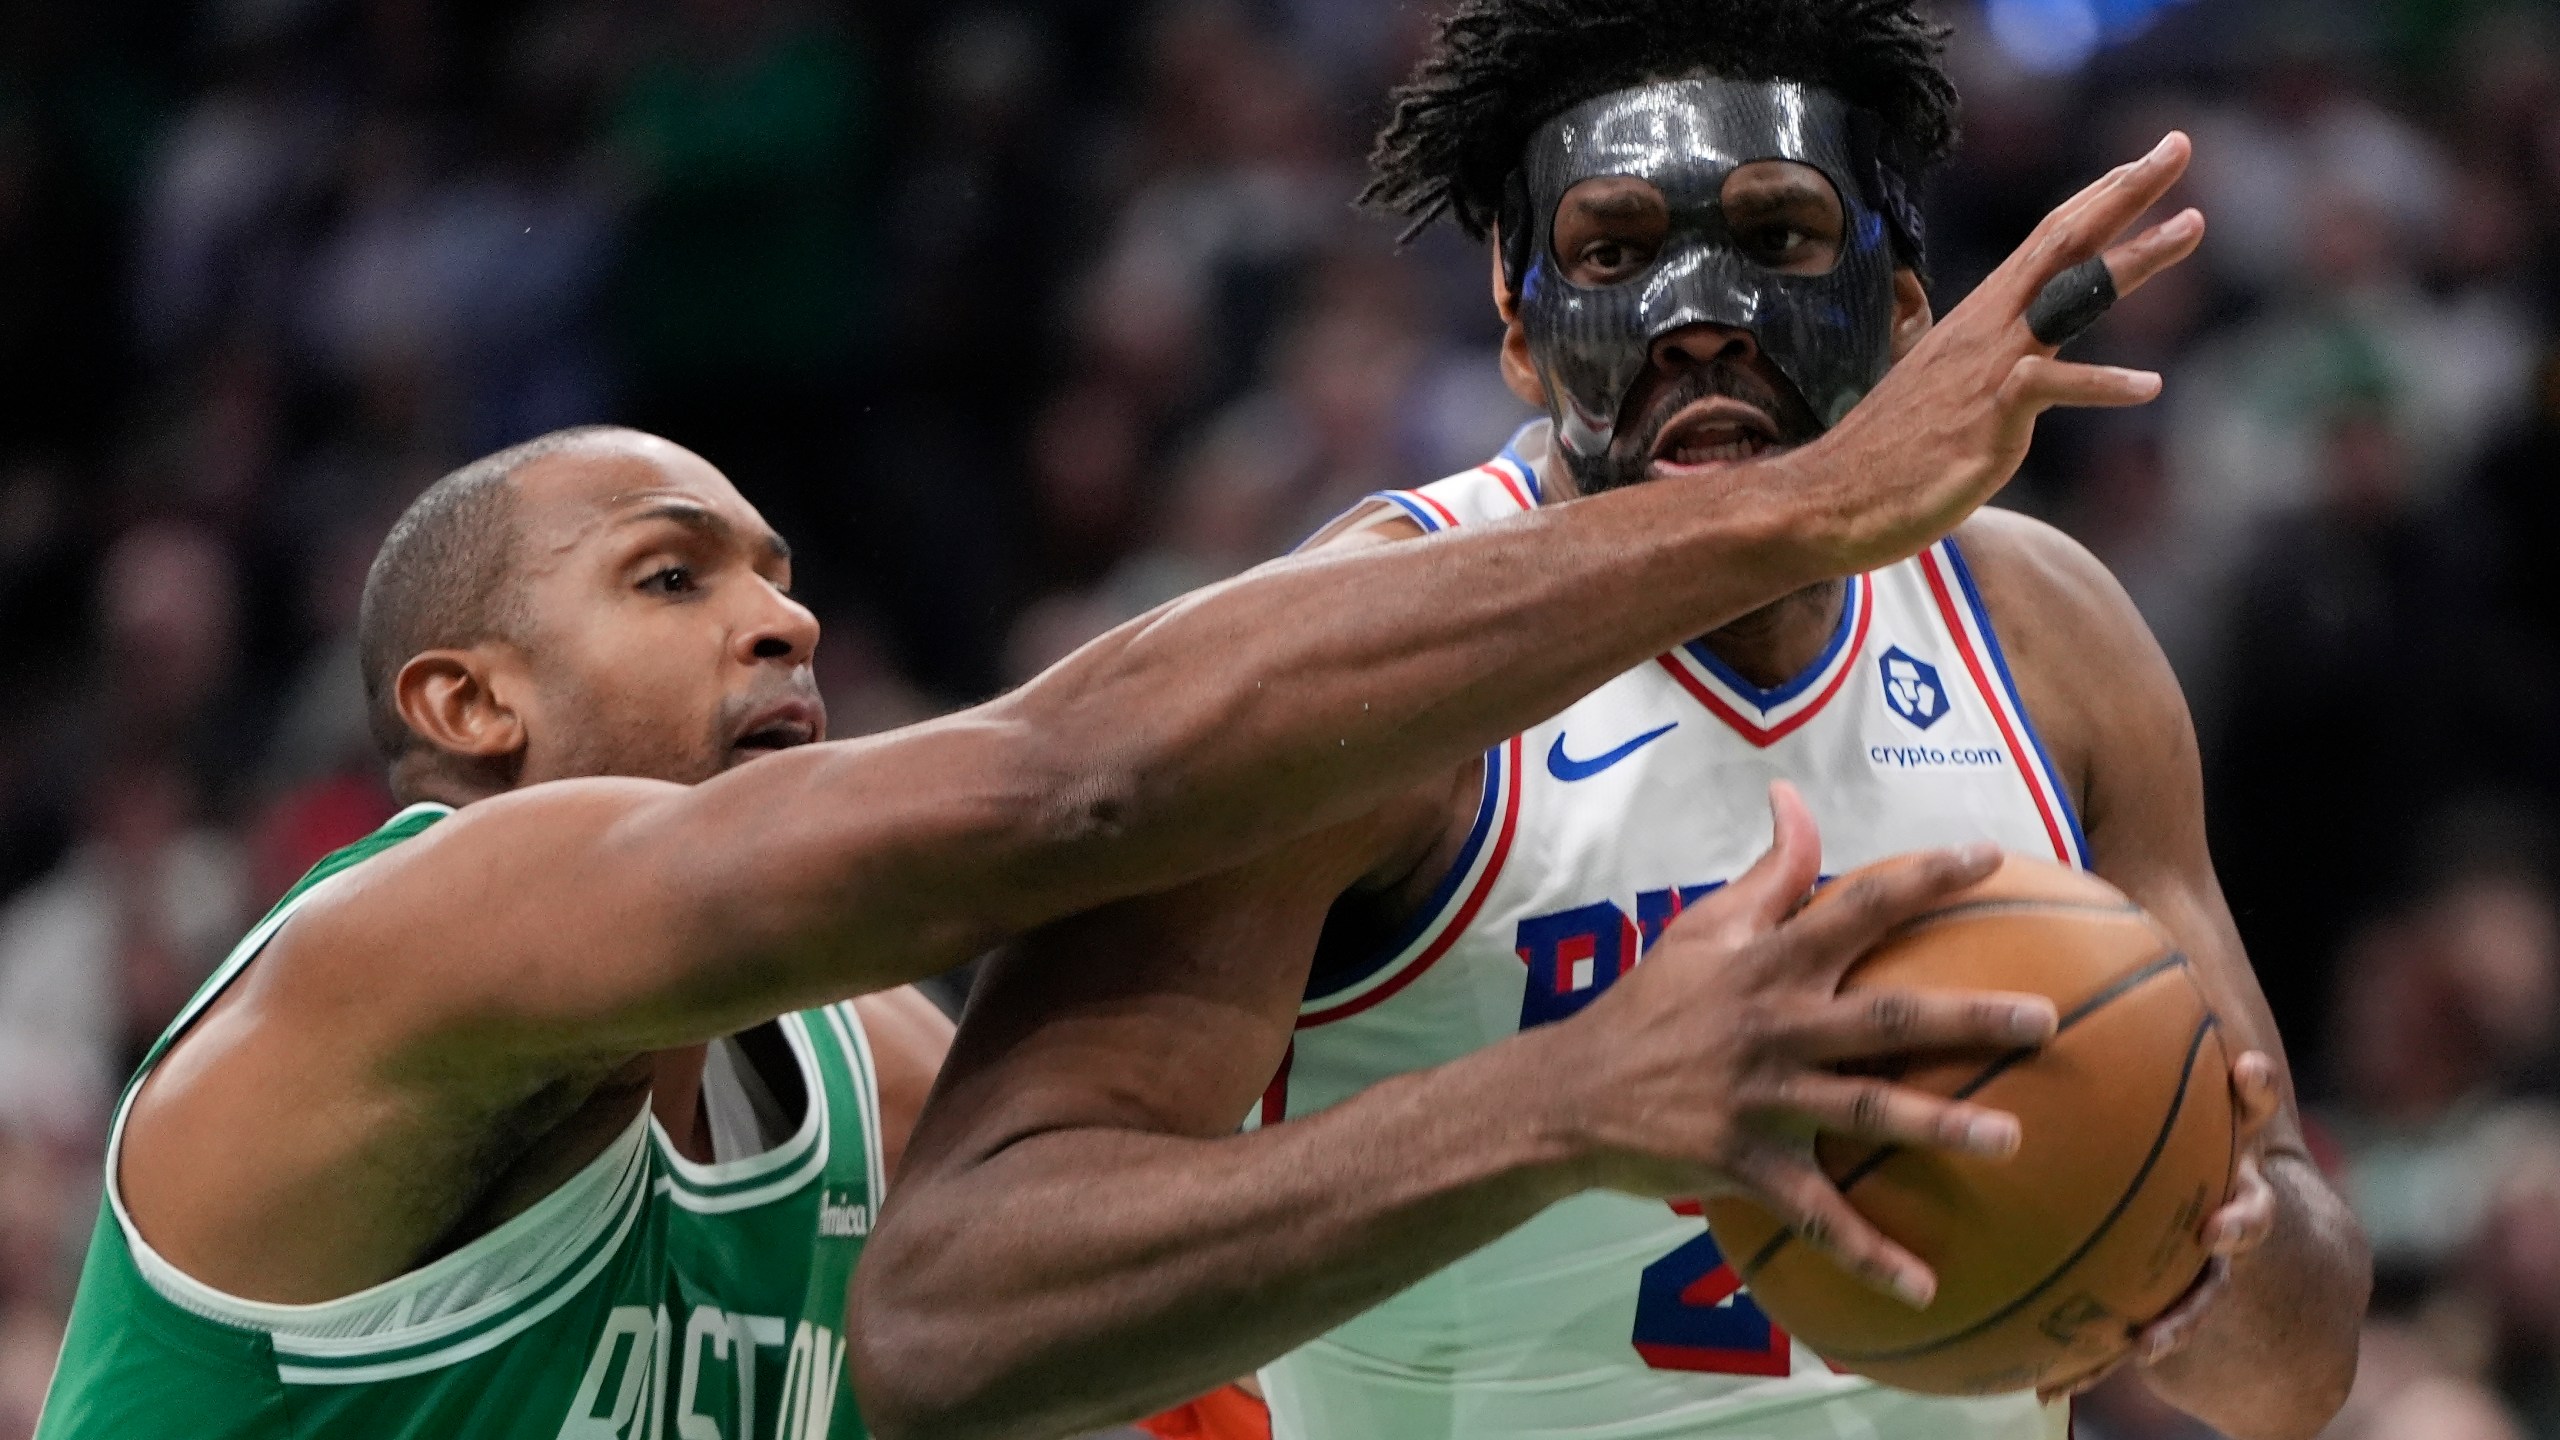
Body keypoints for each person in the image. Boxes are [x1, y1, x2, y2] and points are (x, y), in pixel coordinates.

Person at [33, 239, 2118, 1440]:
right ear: (462, 706)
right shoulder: (406, 946)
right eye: (671, 580)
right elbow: (1068, 790)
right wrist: (1791, 507)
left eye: (778, 572)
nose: (781, 616)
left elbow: (1173, 1373)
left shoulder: (866, 1073)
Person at [851, 4, 2373, 1439]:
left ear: (1909, 307)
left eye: (1779, 235)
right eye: (1615, 248)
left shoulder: (2045, 630)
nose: (1700, 319)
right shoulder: (1360, 668)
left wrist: (2196, 1262)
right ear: (1516, 325)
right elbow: (945, 1323)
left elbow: (2295, 1373)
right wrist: (1567, 1101)